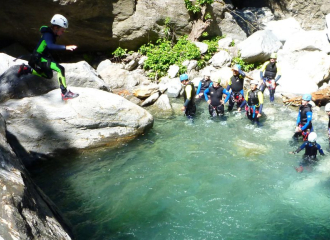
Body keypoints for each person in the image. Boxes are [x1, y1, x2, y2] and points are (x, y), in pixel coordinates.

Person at [17, 14, 79, 100]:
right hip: (38, 58)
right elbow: (50, 46)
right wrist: (66, 47)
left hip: (43, 57)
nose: (63, 32)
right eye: (62, 30)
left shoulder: (50, 32)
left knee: (48, 75)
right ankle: (65, 93)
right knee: (60, 69)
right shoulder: (48, 34)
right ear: (56, 28)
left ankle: (26, 69)